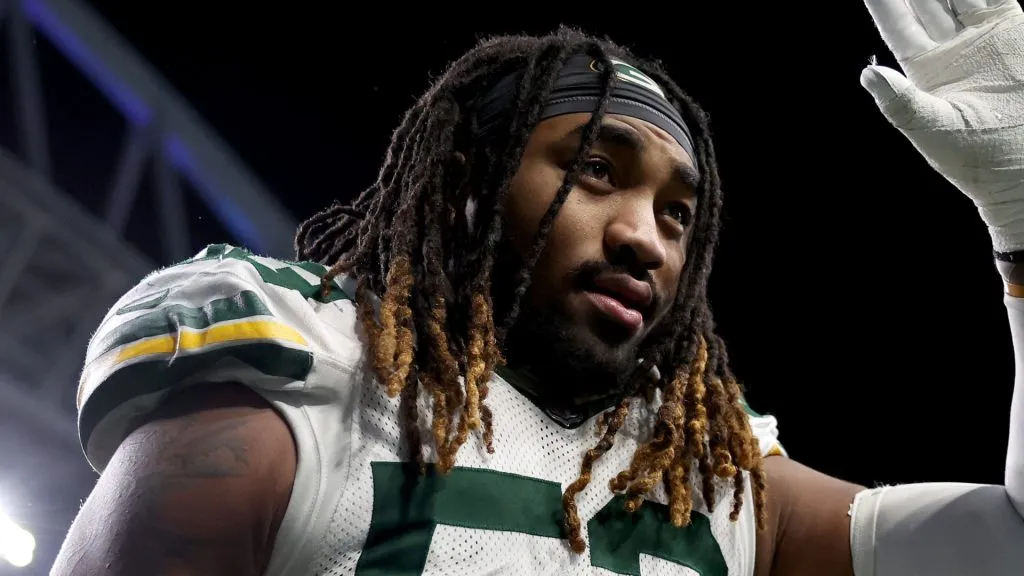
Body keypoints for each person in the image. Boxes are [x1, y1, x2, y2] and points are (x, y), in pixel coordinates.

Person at [51, 1, 1024, 574]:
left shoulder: (712, 480)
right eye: (595, 170)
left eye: (677, 214)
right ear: (466, 184)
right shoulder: (304, 385)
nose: (644, 237)